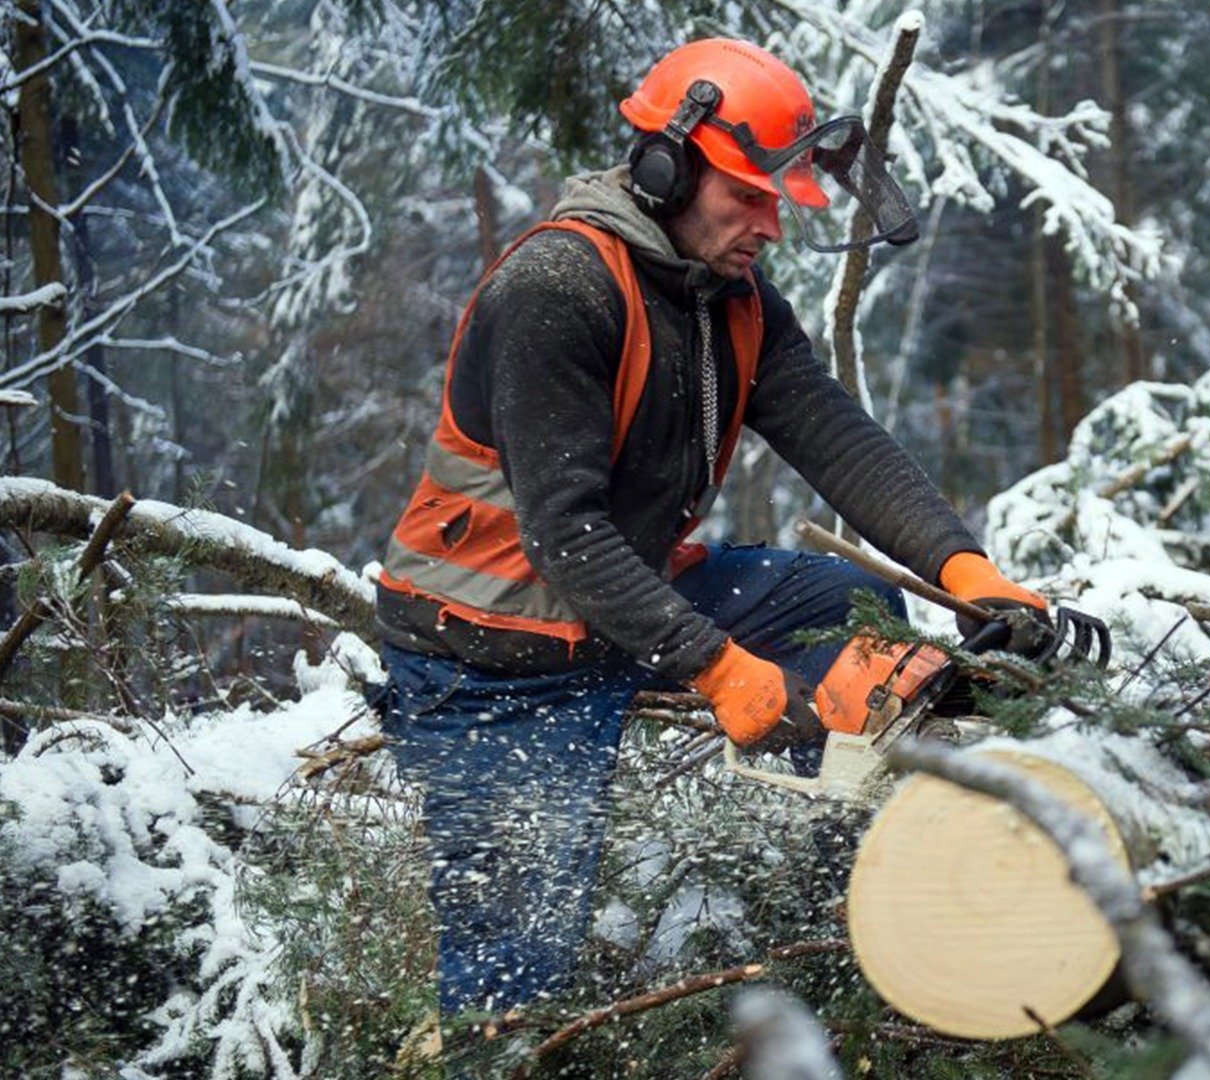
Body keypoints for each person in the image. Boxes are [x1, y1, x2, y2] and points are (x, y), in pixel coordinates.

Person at [374, 37, 1086, 1021]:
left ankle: (835, 895)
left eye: (775, 199)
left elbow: (838, 440)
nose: (770, 225)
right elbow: (564, 535)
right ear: (666, 167)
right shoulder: (557, 291)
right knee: (519, 967)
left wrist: (967, 570)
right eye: (747, 197)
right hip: (490, 653)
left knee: (846, 608)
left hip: (622, 600)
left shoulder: (728, 297)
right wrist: (715, 666)